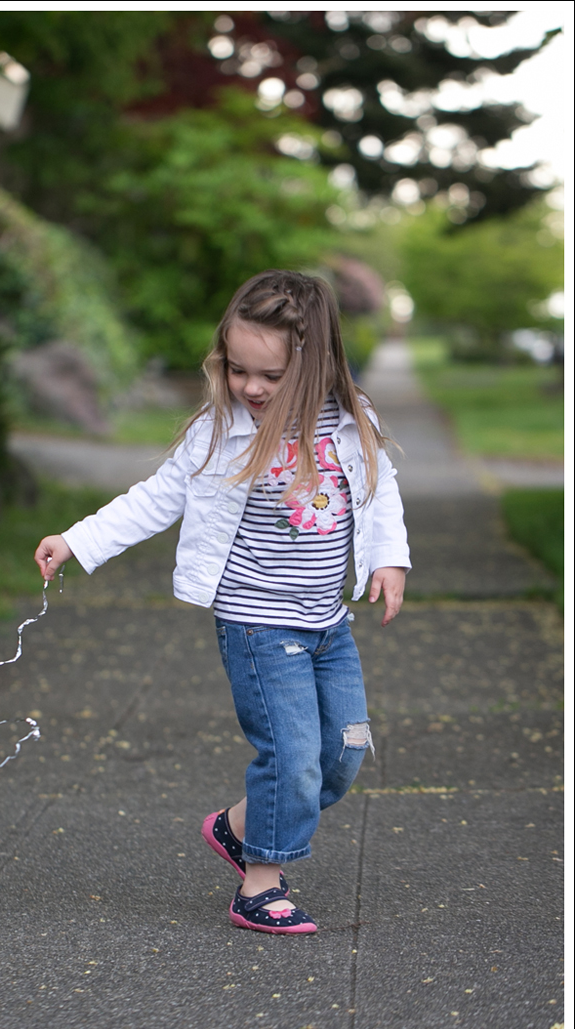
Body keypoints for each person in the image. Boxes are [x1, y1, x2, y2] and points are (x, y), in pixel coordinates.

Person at [35, 270, 410, 935]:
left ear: (315, 361)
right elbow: (155, 497)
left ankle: (238, 827)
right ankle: (260, 886)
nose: (251, 388)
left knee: (343, 754)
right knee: (292, 759)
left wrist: (390, 557)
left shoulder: (353, 418)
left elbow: (380, 493)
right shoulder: (221, 429)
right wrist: (77, 541)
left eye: (270, 375)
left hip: (329, 625)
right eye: (239, 370)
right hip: (258, 627)